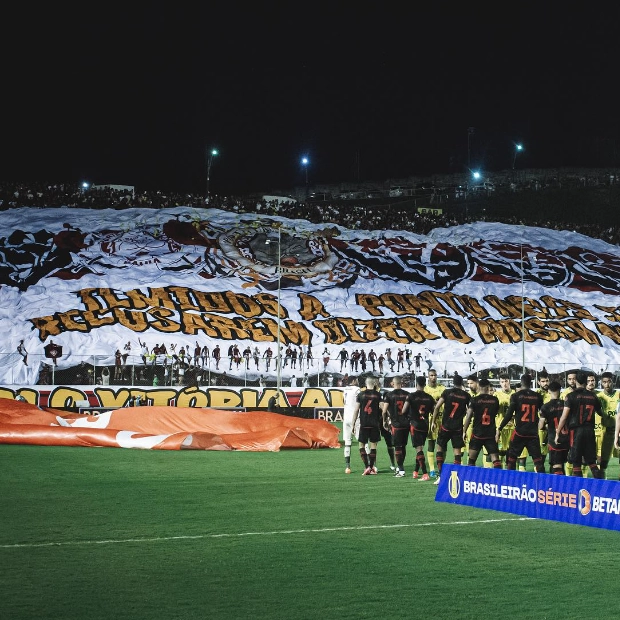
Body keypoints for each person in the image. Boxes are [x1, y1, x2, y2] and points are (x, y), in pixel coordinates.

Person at [555, 371, 602, 478]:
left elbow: (564, 416)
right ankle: (601, 487)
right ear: (586, 382)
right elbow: (600, 412)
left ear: (575, 381)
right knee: (592, 462)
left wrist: (558, 432)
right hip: (590, 431)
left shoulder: (570, 396)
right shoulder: (593, 396)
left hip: (576, 431)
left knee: (576, 461)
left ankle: (578, 489)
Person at [496, 374, 545, 473]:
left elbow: (509, 414)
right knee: (538, 460)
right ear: (531, 383)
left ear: (521, 383)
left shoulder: (515, 396)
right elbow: (542, 414)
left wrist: (499, 428)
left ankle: (511, 480)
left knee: (511, 457)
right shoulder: (537, 396)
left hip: (520, 432)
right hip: (533, 433)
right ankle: (542, 484)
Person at [430, 373, 470, 486]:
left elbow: (437, 407)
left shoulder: (447, 392)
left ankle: (441, 475)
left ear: (453, 382)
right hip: (457, 427)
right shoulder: (466, 396)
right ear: (461, 383)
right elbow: (468, 413)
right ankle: (455, 477)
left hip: (446, 426)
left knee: (439, 449)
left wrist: (433, 421)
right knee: (457, 452)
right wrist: (465, 429)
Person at [402, 375, 435, 480]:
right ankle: (416, 471)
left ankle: (425, 474)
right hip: (425, 425)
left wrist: (408, 417)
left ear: (416, 384)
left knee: (419, 449)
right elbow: (434, 411)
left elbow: (403, 410)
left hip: (415, 424)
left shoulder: (411, 396)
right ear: (425, 384)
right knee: (420, 448)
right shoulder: (429, 397)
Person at [463, 378, 501, 468]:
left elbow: (468, 416)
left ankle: (470, 479)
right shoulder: (495, 400)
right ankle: (498, 480)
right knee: (495, 460)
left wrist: (464, 431)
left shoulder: (474, 399)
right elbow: (496, 413)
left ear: (479, 387)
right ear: (488, 387)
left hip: (477, 433)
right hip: (490, 433)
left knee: (471, 459)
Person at [351, 377, 382, 475]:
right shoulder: (378, 395)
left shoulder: (361, 395)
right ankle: (371, 467)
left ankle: (366, 467)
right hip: (374, 424)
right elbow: (382, 407)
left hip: (364, 424)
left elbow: (356, 410)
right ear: (374, 383)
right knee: (373, 446)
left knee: (361, 446)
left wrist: (353, 424)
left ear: (365, 383)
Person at [381, 376, 410, 477]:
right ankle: (400, 466)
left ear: (393, 383)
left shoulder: (389, 395)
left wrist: (384, 421)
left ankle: (401, 470)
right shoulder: (407, 394)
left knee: (397, 446)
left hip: (396, 424)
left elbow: (384, 411)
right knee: (403, 446)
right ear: (401, 383)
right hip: (406, 424)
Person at [538, 381, 569, 474]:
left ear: (549, 391)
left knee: (556, 466)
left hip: (554, 439)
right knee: (562, 465)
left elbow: (541, 426)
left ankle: (557, 487)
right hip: (567, 439)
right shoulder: (566, 404)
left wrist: (546, 427)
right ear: (560, 391)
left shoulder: (545, 407)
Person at [596, 371, 619, 478]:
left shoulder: (619, 395)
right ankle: (602, 484)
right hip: (606, 434)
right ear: (601, 383)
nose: (607, 384)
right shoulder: (598, 397)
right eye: (604, 382)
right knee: (602, 463)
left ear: (613, 382)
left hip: (618, 433)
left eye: (609, 382)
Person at [423, 368, 445, 478]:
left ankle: (441, 468)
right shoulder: (425, 390)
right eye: (431, 375)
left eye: (435, 375)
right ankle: (432, 469)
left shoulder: (442, 388)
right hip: (431, 419)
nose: (433, 377)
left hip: (442, 419)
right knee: (431, 443)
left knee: (442, 445)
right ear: (428, 377)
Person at [495, 373, 515, 468]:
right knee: (500, 452)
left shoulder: (515, 394)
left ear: (509, 381)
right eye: (502, 382)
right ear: (500, 383)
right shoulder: (497, 394)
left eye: (506, 381)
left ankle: (510, 471)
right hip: (500, 427)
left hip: (513, 427)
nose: (504, 384)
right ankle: (501, 472)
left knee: (511, 452)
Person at [342, 376, 360, 474]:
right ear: (353, 381)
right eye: (357, 380)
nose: (358, 381)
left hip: (346, 418)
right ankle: (370, 466)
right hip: (355, 418)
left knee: (347, 443)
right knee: (363, 441)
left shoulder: (344, 389)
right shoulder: (357, 390)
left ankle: (348, 467)